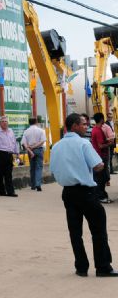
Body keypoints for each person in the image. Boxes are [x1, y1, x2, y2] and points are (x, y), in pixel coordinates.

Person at [50, 113, 118, 277]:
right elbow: (98, 165)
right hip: (86, 192)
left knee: (75, 231)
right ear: (74, 126)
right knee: (98, 229)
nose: (86, 126)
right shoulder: (83, 144)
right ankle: (102, 267)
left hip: (68, 192)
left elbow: (53, 170)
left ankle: (81, 267)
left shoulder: (57, 146)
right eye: (83, 124)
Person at [21, 118, 46, 192]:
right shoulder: (41, 130)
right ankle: (38, 184)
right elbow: (42, 141)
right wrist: (34, 147)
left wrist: (30, 150)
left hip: (30, 151)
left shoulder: (26, 132)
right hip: (39, 150)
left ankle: (33, 185)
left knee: (32, 167)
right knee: (39, 167)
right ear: (36, 122)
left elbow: (24, 143)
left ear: (29, 123)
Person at [91, 113, 111, 203]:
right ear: (102, 119)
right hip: (101, 156)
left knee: (100, 177)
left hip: (98, 155)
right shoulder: (98, 131)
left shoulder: (94, 129)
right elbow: (100, 146)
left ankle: (101, 195)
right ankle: (100, 196)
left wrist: (106, 141)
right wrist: (110, 143)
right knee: (101, 178)